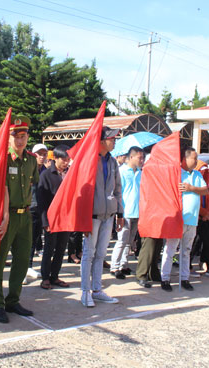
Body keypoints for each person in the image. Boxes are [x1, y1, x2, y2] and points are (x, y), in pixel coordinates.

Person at [0, 116, 38, 323]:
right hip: (4, 216)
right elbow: (1, 188)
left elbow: (32, 187)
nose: (19, 140)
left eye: (23, 136)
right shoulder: (3, 159)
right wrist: (5, 215)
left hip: (25, 215)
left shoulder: (31, 160)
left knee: (22, 260)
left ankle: (13, 300)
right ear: (9, 139)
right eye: (16, 136)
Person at [80, 126, 123, 307]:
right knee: (88, 254)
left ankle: (97, 290)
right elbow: (81, 190)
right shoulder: (89, 161)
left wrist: (120, 213)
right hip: (92, 216)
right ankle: (85, 292)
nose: (114, 141)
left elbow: (118, 189)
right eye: (112, 138)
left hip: (108, 215)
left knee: (101, 254)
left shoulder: (112, 162)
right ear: (102, 140)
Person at [160, 147, 208, 291]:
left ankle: (184, 278)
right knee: (170, 250)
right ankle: (165, 278)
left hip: (192, 220)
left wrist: (191, 188)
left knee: (186, 250)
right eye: (194, 158)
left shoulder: (197, 175)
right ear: (184, 159)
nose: (196, 161)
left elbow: (205, 190)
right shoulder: (176, 174)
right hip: (178, 219)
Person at [37, 145, 71, 290]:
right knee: (49, 249)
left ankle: (55, 276)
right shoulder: (46, 175)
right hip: (52, 218)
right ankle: (45, 277)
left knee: (61, 248)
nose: (66, 162)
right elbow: (41, 200)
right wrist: (45, 221)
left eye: (68, 159)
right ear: (55, 158)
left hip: (66, 218)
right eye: (63, 159)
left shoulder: (69, 174)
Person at [110, 146, 144, 279]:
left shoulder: (140, 172)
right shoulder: (122, 172)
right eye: (139, 157)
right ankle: (115, 266)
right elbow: (117, 193)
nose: (142, 160)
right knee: (121, 241)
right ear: (131, 157)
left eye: (143, 158)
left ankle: (123, 265)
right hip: (125, 211)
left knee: (129, 241)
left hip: (137, 211)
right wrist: (119, 213)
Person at [27, 143, 48, 280]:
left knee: (34, 240)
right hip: (28, 209)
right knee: (26, 240)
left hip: (40, 209)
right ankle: (24, 267)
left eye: (44, 154)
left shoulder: (45, 171)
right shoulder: (28, 169)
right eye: (39, 154)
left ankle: (28, 266)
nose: (42, 156)